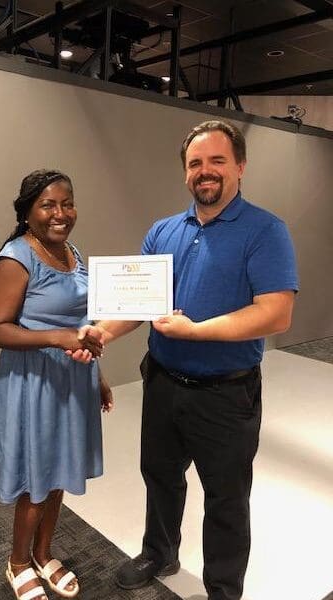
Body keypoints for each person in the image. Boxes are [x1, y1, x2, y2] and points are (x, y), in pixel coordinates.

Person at [74, 120, 298, 600]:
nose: (206, 171)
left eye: (217, 160)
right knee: (159, 474)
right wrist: (102, 332)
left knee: (227, 498)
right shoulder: (162, 232)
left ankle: (222, 589)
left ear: (239, 166)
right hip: (162, 382)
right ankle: (160, 551)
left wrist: (198, 331)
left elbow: (276, 312)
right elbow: (138, 305)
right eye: (196, 163)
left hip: (227, 393)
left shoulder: (265, 230)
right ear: (185, 174)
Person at [0, 169, 112, 600]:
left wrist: (100, 376)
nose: (60, 213)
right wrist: (57, 338)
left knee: (59, 473)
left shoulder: (73, 252)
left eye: (67, 203)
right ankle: (18, 561)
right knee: (36, 479)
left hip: (73, 379)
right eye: (48, 205)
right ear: (27, 212)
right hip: (32, 383)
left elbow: (81, 322)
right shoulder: (16, 258)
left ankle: (43, 553)